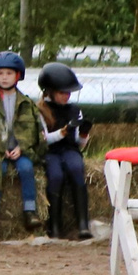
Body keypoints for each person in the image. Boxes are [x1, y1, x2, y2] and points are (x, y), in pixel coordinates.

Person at [0, 51, 43, 236]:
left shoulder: (26, 104)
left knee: (26, 169)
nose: (4, 78)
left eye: (9, 73)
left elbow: (32, 130)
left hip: (19, 150)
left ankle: (30, 210)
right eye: (0, 73)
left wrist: (20, 148)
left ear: (18, 76)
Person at [35, 61, 93, 241]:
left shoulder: (74, 110)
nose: (67, 96)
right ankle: (54, 226)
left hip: (69, 150)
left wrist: (83, 134)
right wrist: (63, 132)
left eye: (69, 92)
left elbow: (78, 143)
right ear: (49, 91)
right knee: (56, 176)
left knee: (76, 169)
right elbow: (44, 140)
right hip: (51, 152)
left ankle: (83, 223)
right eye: (62, 92)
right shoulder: (40, 111)